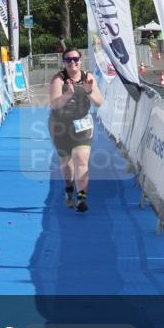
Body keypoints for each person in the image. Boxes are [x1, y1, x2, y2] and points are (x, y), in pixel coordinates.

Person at [48, 47, 104, 212]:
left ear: (81, 60)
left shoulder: (88, 77)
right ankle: (68, 188)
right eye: (68, 60)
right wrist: (67, 95)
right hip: (60, 125)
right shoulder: (58, 79)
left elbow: (99, 102)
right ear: (63, 62)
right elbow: (54, 104)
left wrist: (88, 92)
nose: (72, 62)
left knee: (81, 159)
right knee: (66, 162)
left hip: (82, 124)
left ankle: (82, 199)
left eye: (75, 59)